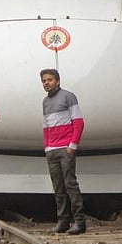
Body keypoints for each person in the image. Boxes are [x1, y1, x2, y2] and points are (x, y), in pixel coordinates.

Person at [40, 69, 87, 234]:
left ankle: (79, 221)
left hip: (65, 148)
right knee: (58, 186)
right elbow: (46, 126)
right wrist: (47, 147)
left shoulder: (68, 97)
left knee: (70, 184)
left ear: (57, 81)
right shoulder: (45, 102)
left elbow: (78, 121)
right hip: (52, 150)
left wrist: (73, 145)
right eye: (44, 81)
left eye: (50, 80)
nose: (46, 83)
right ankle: (63, 221)